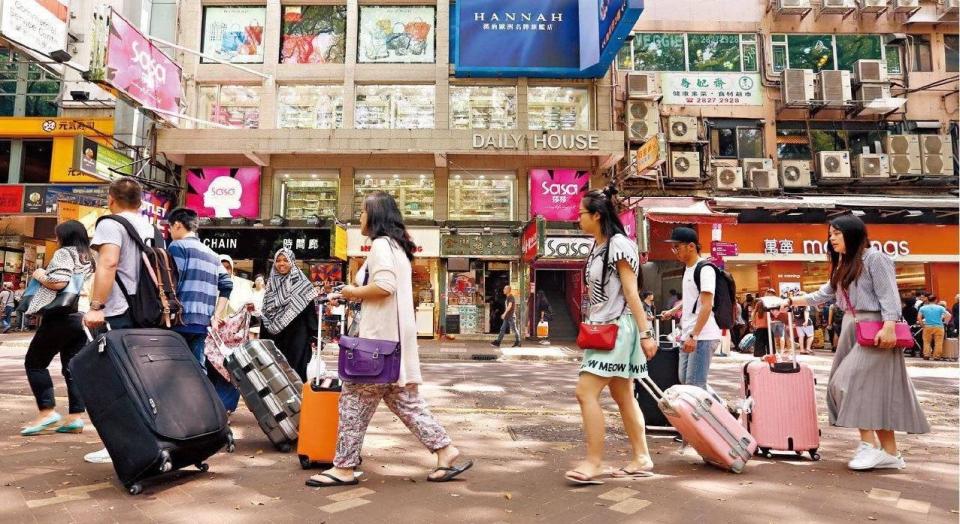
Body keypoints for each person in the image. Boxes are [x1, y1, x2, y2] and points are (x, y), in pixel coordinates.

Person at [308, 191, 471, 487]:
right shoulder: (397, 247)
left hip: (375, 346)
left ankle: (344, 468)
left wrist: (350, 292)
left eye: (362, 212)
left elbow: (384, 286)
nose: (359, 218)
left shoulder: (381, 245)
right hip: (392, 346)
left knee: (353, 403)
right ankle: (446, 451)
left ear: (376, 216)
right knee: (406, 403)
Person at [790, 214, 929, 471]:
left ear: (853, 234)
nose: (831, 239)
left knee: (847, 383)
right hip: (851, 328)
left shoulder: (875, 258)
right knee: (872, 390)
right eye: (830, 234)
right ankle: (890, 453)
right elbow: (825, 293)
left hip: (875, 329)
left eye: (836, 233)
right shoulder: (845, 263)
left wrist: (889, 326)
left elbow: (889, 295)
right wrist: (790, 301)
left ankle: (869, 446)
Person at [565, 187, 657, 485]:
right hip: (605, 328)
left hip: (617, 328)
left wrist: (646, 334)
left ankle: (594, 462)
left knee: (585, 392)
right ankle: (641, 456)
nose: (577, 218)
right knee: (623, 395)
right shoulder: (598, 246)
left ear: (597, 215)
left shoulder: (619, 244)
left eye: (581, 213)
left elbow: (632, 291)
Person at [82, 177, 160, 464]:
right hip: (149, 311)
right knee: (143, 377)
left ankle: (122, 443)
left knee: (117, 379)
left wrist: (95, 305)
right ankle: (151, 437)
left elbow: (108, 263)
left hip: (120, 310)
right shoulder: (151, 227)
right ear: (140, 203)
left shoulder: (110, 224)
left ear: (111, 199)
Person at [19, 221, 95, 436]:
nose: (56, 239)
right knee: (72, 368)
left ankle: (47, 412)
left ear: (65, 236)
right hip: (81, 316)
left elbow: (59, 282)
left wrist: (39, 274)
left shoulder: (65, 253)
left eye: (57, 236)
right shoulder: (89, 257)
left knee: (34, 363)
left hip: (60, 316)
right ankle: (75, 418)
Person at [166, 208, 238, 411]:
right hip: (202, 323)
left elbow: (172, 282)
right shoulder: (213, 254)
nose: (170, 232)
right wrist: (216, 315)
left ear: (178, 225)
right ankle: (201, 412)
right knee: (198, 370)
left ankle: (178, 414)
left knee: (173, 371)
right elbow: (227, 285)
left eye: (171, 227)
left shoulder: (177, 246)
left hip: (179, 320)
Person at [659, 227, 721, 390]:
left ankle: (716, 412)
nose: (675, 252)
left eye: (677, 247)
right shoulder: (688, 269)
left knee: (694, 386)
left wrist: (694, 335)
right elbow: (691, 299)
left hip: (702, 336)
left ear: (691, 246)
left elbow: (707, 305)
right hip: (689, 334)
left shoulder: (705, 269)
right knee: (686, 380)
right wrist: (673, 311)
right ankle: (721, 407)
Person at [261, 248, 319, 382]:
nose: (281, 263)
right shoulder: (271, 284)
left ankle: (298, 402)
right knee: (277, 374)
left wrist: (313, 335)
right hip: (275, 337)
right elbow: (266, 311)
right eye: (278, 260)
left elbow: (309, 311)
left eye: (285, 260)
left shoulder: (302, 283)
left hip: (298, 336)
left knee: (296, 372)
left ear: (292, 262)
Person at [918, 296, 952, 361]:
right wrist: (945, 323)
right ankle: (937, 356)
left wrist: (922, 325)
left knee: (926, 342)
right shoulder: (940, 307)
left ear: (927, 300)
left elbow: (919, 317)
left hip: (927, 326)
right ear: (936, 300)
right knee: (938, 342)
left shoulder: (923, 308)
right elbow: (949, 315)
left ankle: (926, 355)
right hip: (939, 326)